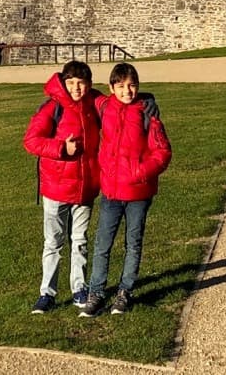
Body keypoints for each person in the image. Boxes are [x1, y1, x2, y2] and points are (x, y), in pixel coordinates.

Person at [79, 62, 171, 317]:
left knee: (133, 243)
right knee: (102, 244)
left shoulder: (147, 114)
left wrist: (139, 173)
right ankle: (96, 292)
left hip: (138, 192)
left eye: (132, 86)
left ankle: (124, 291)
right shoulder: (105, 106)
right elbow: (80, 91)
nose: (127, 91)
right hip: (111, 190)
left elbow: (162, 152)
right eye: (121, 87)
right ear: (111, 88)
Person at [23, 60, 101, 314]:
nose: (76, 88)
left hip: (85, 186)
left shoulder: (93, 104)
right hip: (57, 187)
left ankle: (79, 288)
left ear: (89, 84)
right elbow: (31, 141)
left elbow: (121, 106)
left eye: (81, 83)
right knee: (53, 243)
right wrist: (60, 149)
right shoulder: (53, 107)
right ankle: (47, 293)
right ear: (64, 84)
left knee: (79, 241)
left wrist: (147, 101)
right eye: (71, 83)